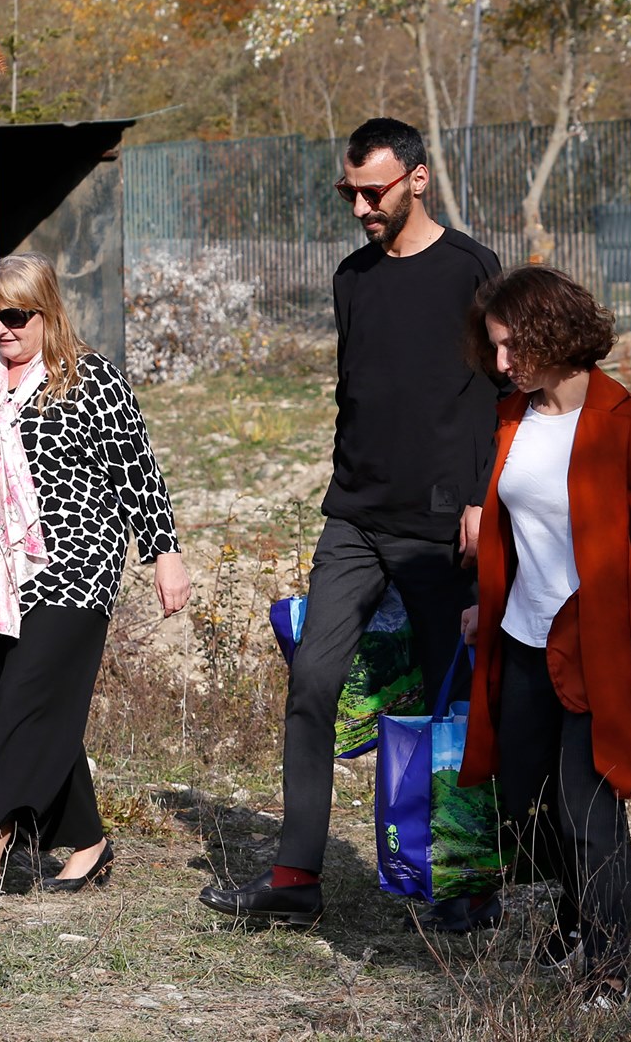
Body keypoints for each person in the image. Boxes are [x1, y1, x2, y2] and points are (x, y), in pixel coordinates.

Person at [200, 117, 503, 930]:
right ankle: (296, 875)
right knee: (313, 680)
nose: (362, 207)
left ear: (417, 179)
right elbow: (357, 394)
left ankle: (464, 882)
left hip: (442, 531)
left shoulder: (472, 269)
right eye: (350, 192)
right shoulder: (351, 277)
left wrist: (482, 500)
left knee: (451, 705)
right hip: (354, 521)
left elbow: (498, 395)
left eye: (375, 191)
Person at [457, 267, 631, 1006]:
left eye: (511, 346)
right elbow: (513, 527)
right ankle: (573, 917)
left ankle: (607, 968)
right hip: (521, 636)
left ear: (551, 334)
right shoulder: (511, 415)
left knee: (588, 805)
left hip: (601, 645)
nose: (501, 362)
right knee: (526, 800)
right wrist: (485, 599)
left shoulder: (625, 425)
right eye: (494, 347)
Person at [0, 253, 190, 914]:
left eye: (15, 315)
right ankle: (89, 842)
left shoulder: (92, 378)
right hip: (0, 571)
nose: (1, 327)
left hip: (77, 565)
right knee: (28, 708)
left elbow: (137, 468)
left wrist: (164, 552)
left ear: (46, 312)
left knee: (27, 702)